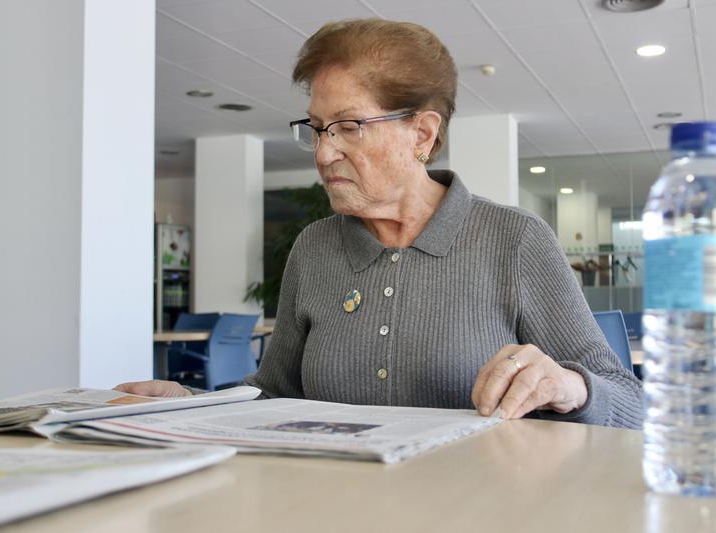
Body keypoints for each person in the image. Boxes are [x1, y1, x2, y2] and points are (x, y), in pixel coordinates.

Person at [118, 19, 642, 428]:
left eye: (349, 127)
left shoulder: (514, 240)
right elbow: (274, 393)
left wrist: (571, 387)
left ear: (421, 133)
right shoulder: (314, 246)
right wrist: (187, 403)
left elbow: (629, 402)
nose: (324, 154)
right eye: (319, 129)